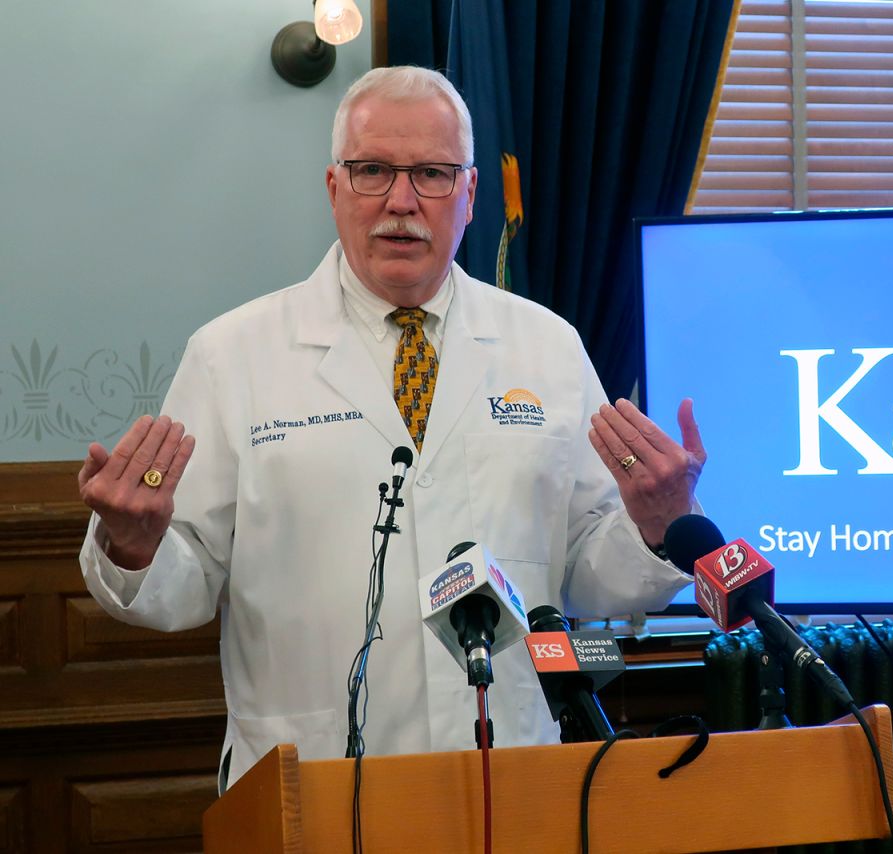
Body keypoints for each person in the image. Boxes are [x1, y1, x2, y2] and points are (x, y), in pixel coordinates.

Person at [76, 66, 705, 791]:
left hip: (512, 777)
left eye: (433, 174)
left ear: (470, 196)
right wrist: (132, 544)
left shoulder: (548, 347)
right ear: (334, 187)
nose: (401, 201)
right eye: (373, 170)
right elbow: (183, 585)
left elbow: (588, 576)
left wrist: (654, 527)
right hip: (314, 780)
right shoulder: (232, 354)